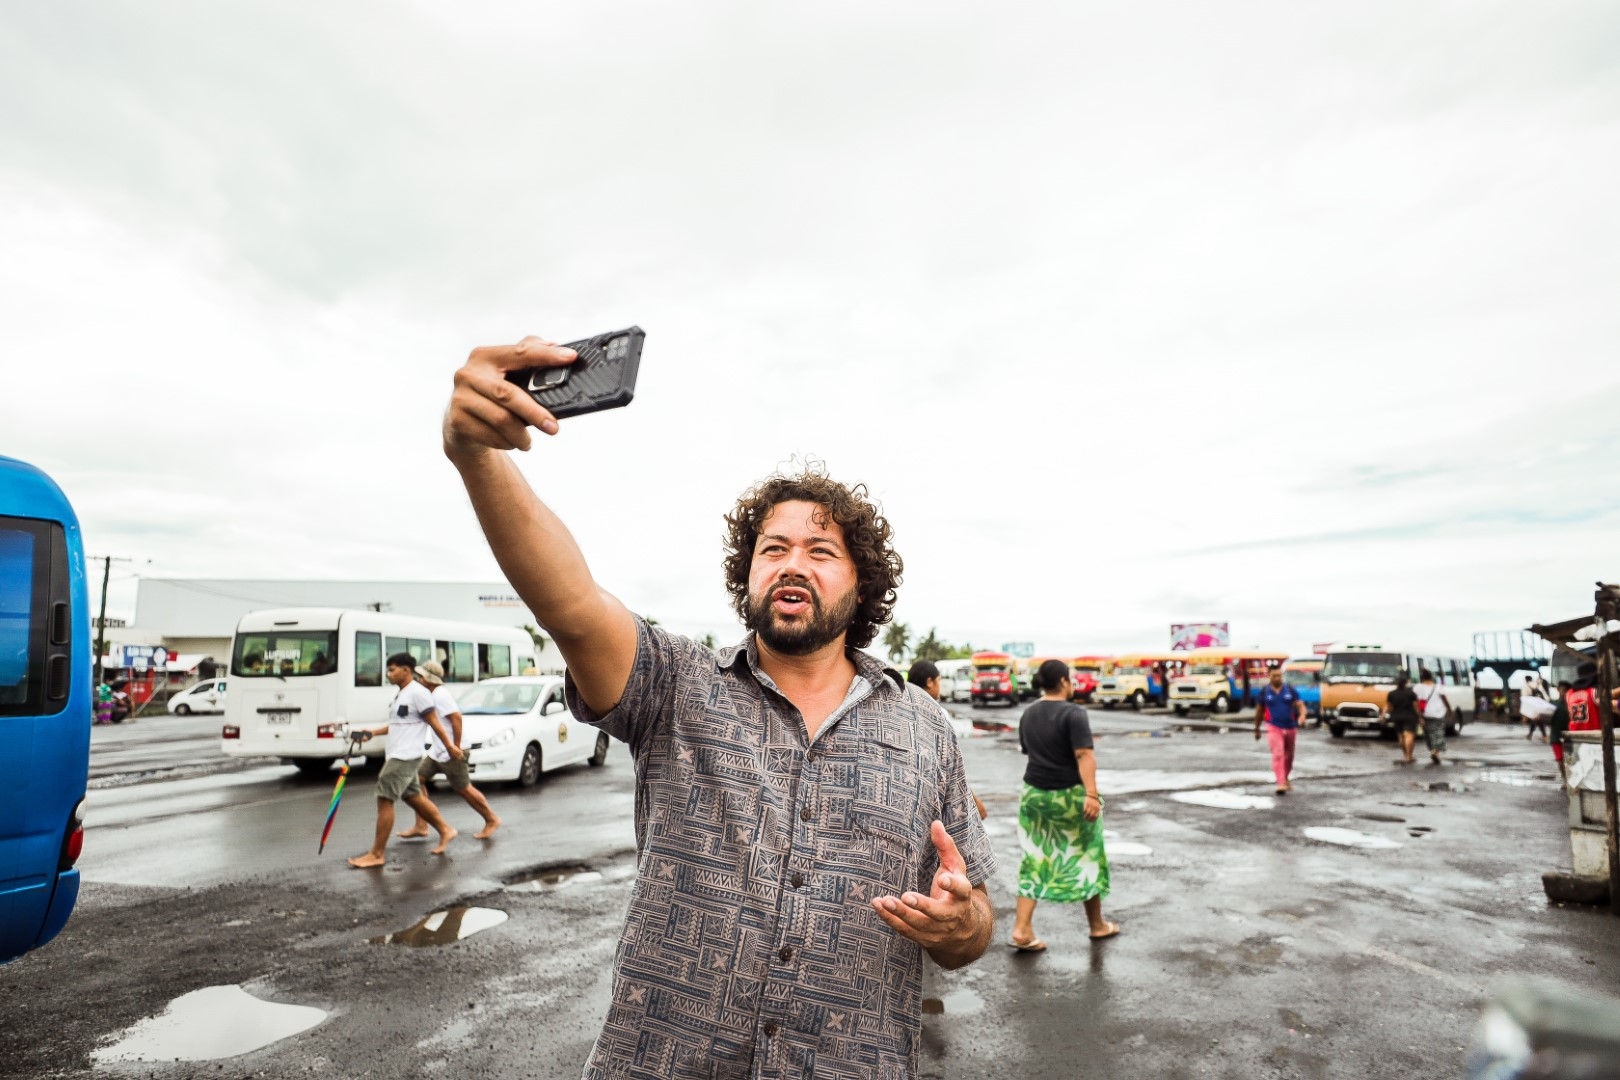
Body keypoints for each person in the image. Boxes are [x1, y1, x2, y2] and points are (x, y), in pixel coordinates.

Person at [442, 335, 996, 1079]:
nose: (794, 562)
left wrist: (960, 924)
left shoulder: (924, 725)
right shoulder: (677, 685)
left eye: (821, 551)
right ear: (749, 573)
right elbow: (571, 603)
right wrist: (478, 455)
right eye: (774, 548)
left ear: (861, 588)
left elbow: (976, 925)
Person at [1010, 659, 1117, 953]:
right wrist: (1092, 794)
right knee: (1087, 854)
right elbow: (1083, 754)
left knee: (1035, 857)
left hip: (1034, 794)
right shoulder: (1074, 713)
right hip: (1068, 796)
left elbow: (1028, 751)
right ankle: (1097, 926)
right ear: (1063, 681)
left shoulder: (1028, 713)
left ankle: (1021, 928)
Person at [346, 653, 461, 868]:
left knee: (385, 799)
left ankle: (377, 853)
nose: (389, 674)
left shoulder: (418, 693)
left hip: (405, 756)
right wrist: (371, 732)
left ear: (406, 670)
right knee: (413, 797)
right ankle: (446, 829)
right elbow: (399, 724)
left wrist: (450, 745)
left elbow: (434, 723)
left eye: (392, 669)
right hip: (397, 752)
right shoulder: (402, 694)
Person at [398, 659, 502, 842]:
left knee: (464, 789)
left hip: (452, 752)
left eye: (421, 676)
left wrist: (455, 745)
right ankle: (421, 825)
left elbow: (456, 719)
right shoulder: (429, 694)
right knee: (416, 780)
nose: (418, 679)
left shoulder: (440, 695)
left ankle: (492, 819)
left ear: (430, 679)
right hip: (437, 752)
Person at [909, 659, 988, 820]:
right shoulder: (938, 712)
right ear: (930, 682)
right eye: (939, 681)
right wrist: (973, 802)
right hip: (933, 793)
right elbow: (950, 763)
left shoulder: (902, 708)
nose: (940, 685)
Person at [1254, 667, 1305, 794]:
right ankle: (1280, 782)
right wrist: (1257, 728)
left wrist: (1303, 715)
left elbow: (1300, 705)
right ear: (1269, 676)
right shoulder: (1265, 692)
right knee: (1278, 753)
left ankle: (1286, 777)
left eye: (1279, 675)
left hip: (1290, 726)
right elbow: (1259, 711)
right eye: (1274, 676)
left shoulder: (1290, 690)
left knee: (1289, 755)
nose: (1277, 678)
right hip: (1273, 726)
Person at [1415, 668, 1450, 765]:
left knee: (1428, 734)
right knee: (1438, 733)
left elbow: (1415, 703)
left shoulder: (1418, 687)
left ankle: (1433, 750)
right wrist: (1450, 710)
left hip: (1425, 714)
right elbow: (1445, 700)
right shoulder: (1439, 687)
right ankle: (1435, 751)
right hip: (1438, 714)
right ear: (1431, 676)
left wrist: (1419, 716)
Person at [1388, 674, 1421, 765]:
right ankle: (1408, 756)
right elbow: (1416, 707)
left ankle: (1406, 755)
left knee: (1401, 737)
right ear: (1406, 682)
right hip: (1410, 717)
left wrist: (1383, 716)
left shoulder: (1392, 693)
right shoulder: (1411, 693)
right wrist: (1420, 717)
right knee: (1408, 736)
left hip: (1397, 717)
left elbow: (1389, 707)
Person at [1549, 680, 1573, 781]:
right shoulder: (1552, 704)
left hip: (1570, 736)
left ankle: (1571, 779)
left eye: (1565, 690)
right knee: (1560, 760)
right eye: (1561, 689)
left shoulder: (1572, 703)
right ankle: (1565, 779)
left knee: (1570, 760)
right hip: (1555, 736)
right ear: (1558, 690)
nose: (1563, 692)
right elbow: (1547, 720)